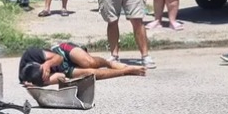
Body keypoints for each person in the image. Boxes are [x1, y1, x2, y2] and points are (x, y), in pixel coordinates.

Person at [18, 42, 147, 87]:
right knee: (90, 74)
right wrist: (47, 80)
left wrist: (48, 64)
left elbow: (58, 58)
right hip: (65, 69)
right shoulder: (30, 79)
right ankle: (125, 71)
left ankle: (109, 63)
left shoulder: (32, 54)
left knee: (89, 62)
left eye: (45, 72)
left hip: (63, 52)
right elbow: (61, 77)